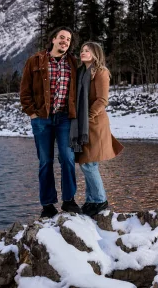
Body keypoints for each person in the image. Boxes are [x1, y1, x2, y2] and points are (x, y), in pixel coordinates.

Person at [20, 26, 82, 218]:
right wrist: (32, 113)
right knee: (45, 161)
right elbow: (24, 90)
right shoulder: (35, 61)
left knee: (67, 158)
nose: (65, 41)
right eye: (62, 37)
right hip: (42, 118)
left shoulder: (73, 63)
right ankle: (47, 205)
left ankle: (69, 201)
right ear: (53, 39)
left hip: (65, 118)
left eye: (68, 39)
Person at [74, 41, 124, 216]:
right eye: (82, 50)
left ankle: (100, 200)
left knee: (88, 163)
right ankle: (91, 200)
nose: (83, 52)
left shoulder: (101, 72)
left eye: (87, 50)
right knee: (87, 162)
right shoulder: (81, 72)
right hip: (82, 124)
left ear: (96, 54)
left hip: (94, 123)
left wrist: (87, 117)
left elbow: (102, 100)